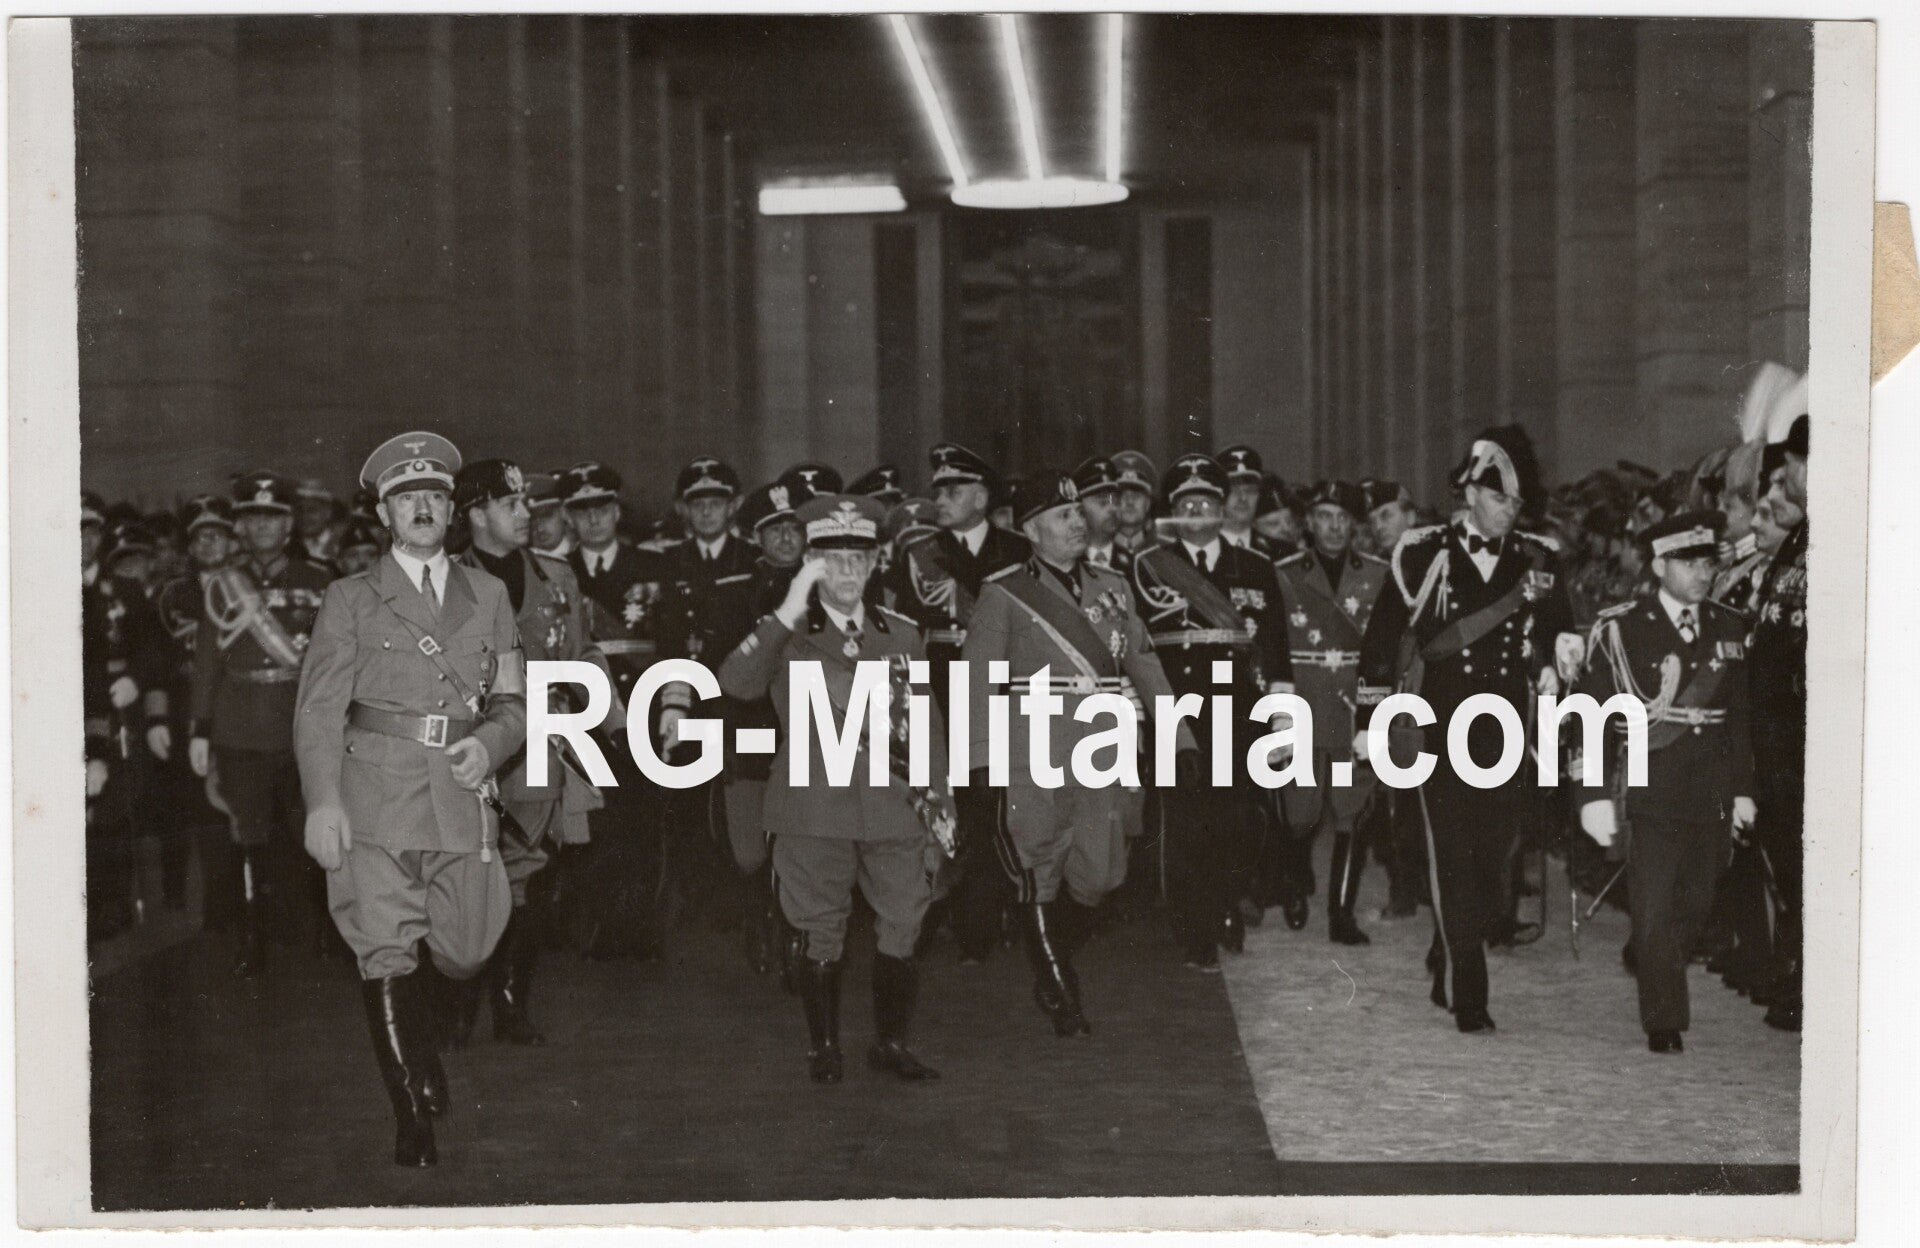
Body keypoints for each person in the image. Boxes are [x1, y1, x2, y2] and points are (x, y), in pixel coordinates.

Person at [294, 431, 526, 1167]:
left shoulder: (488, 593)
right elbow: (317, 711)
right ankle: (410, 1113)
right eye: (405, 497)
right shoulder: (350, 599)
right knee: (386, 950)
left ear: (452, 510)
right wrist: (323, 803)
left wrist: (489, 745)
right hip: (376, 797)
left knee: (464, 949)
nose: (421, 507)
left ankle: (420, 1044)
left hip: (461, 796)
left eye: (434, 496)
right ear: (384, 514)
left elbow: (515, 704)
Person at [718, 493, 955, 1085]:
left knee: (905, 918)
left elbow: (925, 724)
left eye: (859, 557)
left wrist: (940, 803)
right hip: (813, 806)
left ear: (877, 563)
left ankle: (891, 1043)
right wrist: (789, 608)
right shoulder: (784, 633)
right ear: (810, 564)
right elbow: (736, 683)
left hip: (892, 804)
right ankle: (824, 1046)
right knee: (820, 926)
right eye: (831, 558)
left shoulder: (901, 633)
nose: (847, 571)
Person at [1358, 426, 1579, 1034]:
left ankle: (1448, 948)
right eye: (1500, 499)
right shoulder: (1422, 552)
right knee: (1451, 854)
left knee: (1492, 862)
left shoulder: (1539, 558)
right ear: (1470, 494)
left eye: (1516, 503)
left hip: (1505, 732)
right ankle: (1469, 993)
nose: (1510, 511)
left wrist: (1563, 665)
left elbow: (1563, 632)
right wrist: (1369, 719)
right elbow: (1383, 639)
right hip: (1438, 727)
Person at [963, 471, 1196, 1035]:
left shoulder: (1114, 587)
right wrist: (978, 763)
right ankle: (1059, 984)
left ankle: (1054, 955)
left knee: (1101, 874)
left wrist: (1178, 737)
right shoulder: (1003, 593)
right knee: (1037, 866)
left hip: (1103, 746)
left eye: (1076, 513)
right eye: (1062, 515)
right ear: (1031, 529)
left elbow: (1145, 666)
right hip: (1033, 746)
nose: (1076, 522)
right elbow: (978, 685)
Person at [1578, 512, 1755, 1054]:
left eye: (1709, 563)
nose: (1703, 574)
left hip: (1711, 790)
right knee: (1654, 907)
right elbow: (1594, 713)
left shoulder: (1730, 626)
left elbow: (1741, 719)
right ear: (1659, 565)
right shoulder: (1624, 626)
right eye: (1690, 563)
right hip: (1652, 789)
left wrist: (1745, 789)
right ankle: (1664, 1018)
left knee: (1696, 904)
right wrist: (1590, 796)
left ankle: (1654, 955)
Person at [452, 458, 613, 1045]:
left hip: (541, 741)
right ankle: (459, 999)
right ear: (474, 512)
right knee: (462, 868)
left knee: (525, 872)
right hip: (466, 747)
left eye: (526, 503)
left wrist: (609, 720)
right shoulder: (441, 580)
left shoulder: (556, 576)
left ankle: (511, 1004)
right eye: (511, 503)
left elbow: (583, 651)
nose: (526, 514)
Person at [1132, 453, 1293, 968]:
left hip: (1238, 707)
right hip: (1179, 709)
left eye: (1208, 501)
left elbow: (1275, 647)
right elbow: (1137, 647)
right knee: (1185, 822)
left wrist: (1283, 717)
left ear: (1224, 510)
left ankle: (1226, 903)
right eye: (1187, 502)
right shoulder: (1147, 566)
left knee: (1237, 820)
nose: (1198, 509)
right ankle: (1195, 926)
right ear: (1174, 512)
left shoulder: (1257, 568)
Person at [188, 471, 336, 975]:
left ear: (289, 525)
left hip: (301, 726)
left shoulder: (320, 580)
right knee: (247, 836)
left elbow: (336, 661)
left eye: (273, 519)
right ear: (241, 529)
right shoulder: (222, 588)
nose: (263, 529)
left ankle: (323, 929)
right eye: (253, 520)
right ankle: (251, 935)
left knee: (311, 832)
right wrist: (201, 728)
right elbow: (208, 662)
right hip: (241, 727)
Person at [889, 442, 1031, 964]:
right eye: (938, 490)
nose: (940, 499)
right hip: (942, 693)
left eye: (953, 490)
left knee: (994, 807)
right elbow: (902, 632)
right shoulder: (920, 555)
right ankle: (930, 917)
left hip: (1001, 693)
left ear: (982, 496)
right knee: (936, 811)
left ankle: (985, 923)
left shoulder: (1018, 552)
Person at [1272, 480, 1389, 943]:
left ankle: (1341, 914)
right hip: (1302, 707)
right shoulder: (1284, 572)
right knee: (1300, 811)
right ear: (1309, 523)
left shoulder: (1378, 574)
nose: (1334, 527)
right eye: (1324, 516)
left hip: (1349, 714)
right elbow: (1275, 643)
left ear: (1354, 525)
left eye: (1343, 518)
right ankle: (1295, 878)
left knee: (1349, 809)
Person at [563, 460, 672, 959]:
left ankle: (640, 928)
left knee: (645, 821)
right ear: (569, 517)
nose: (593, 521)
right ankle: (599, 928)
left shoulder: (651, 567)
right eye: (582, 511)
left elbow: (671, 646)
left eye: (601, 509)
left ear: (616, 511)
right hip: (582, 713)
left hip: (643, 708)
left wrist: (674, 706)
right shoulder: (556, 574)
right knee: (595, 825)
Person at [720, 479, 815, 977]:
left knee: (801, 836)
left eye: (793, 528)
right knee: (751, 846)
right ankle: (759, 922)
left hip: (809, 730)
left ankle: (795, 936)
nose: (784, 539)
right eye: (773, 530)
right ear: (755, 538)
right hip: (751, 730)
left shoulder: (826, 588)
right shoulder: (735, 591)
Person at [82, 492, 169, 943]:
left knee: (116, 807)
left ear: (99, 535)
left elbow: (155, 652)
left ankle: (112, 907)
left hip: (118, 713)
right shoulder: (32, 587)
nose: (80, 540)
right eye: (72, 529)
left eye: (89, 530)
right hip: (62, 715)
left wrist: (136, 680)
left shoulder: (124, 591)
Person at [1747, 413, 1808, 1032]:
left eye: (1790, 470)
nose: (1783, 484)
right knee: (1787, 868)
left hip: (1804, 743)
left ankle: (1804, 981)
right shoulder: (1798, 544)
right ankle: (1792, 974)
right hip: (1778, 747)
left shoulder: (1831, 540)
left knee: (1806, 871)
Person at [154, 495, 240, 926]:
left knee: (242, 808)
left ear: (232, 541)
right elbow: (156, 662)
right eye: (199, 537)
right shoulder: (173, 595)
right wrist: (156, 717)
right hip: (189, 712)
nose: (208, 544)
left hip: (241, 713)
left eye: (217, 535)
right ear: (189, 547)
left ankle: (248, 907)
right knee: (198, 810)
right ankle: (213, 911)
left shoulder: (247, 586)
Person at [1217, 445, 1288, 561]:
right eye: (1234, 491)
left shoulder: (1282, 552)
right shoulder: (1202, 549)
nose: (1243, 498)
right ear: (1218, 495)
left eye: (1250, 491)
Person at [1109, 450, 1159, 557]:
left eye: (1136, 496)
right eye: (1122, 495)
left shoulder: (1162, 552)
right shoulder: (1100, 551)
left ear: (1148, 504)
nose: (1130, 502)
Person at [526, 470, 576, 561]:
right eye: (532, 519)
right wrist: (514, 513)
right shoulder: (525, 561)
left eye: (546, 515)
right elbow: (515, 514)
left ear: (563, 513)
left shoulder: (582, 557)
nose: (539, 528)